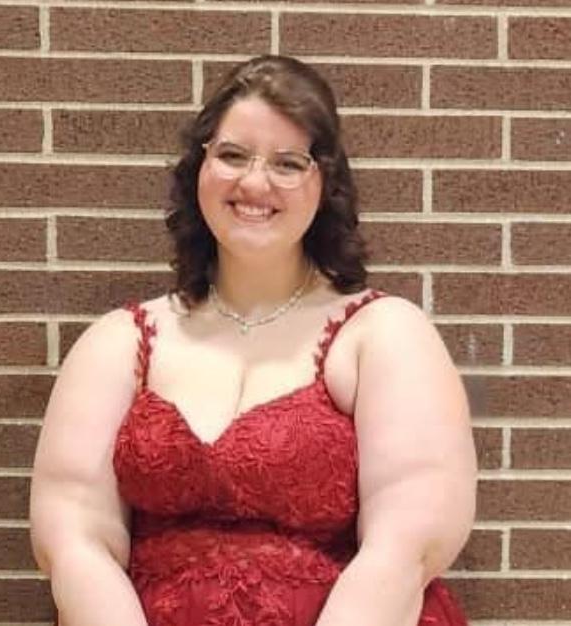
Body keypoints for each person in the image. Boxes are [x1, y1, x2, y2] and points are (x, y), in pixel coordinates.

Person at [30, 55, 477, 626]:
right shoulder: (121, 342)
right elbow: (73, 536)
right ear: (199, 167)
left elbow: (409, 542)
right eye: (233, 155)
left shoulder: (382, 334)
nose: (254, 183)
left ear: (327, 183)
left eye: (288, 163)